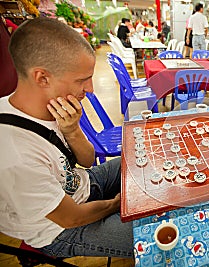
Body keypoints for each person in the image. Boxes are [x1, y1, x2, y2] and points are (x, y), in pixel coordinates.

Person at [0, 18, 133, 259]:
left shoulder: (51, 107)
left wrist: (72, 130)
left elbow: (88, 160)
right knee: (159, 232)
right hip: (61, 231)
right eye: (82, 80)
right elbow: (71, 217)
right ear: (42, 78)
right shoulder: (14, 154)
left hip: (82, 185)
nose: (90, 89)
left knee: (138, 159)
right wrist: (119, 204)